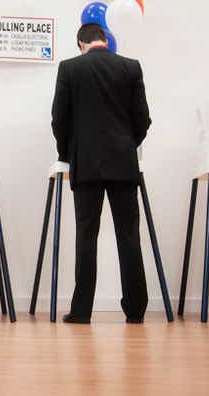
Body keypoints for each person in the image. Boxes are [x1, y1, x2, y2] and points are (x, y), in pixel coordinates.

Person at [51, 23, 151, 324]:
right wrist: (126, 145)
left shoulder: (69, 68)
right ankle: (135, 309)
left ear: (80, 42)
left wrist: (67, 154)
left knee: (86, 235)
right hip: (123, 162)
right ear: (105, 40)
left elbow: (59, 119)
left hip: (87, 163)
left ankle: (82, 310)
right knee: (129, 236)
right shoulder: (130, 67)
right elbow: (143, 119)